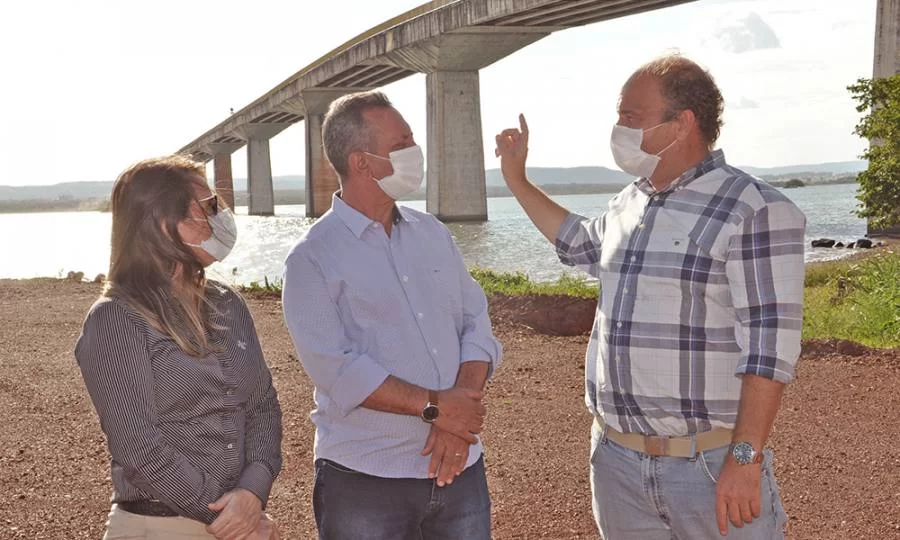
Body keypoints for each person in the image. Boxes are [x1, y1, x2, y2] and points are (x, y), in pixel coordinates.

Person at [495, 54, 805, 539]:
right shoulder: (631, 200)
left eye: (630, 117)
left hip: (709, 466)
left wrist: (745, 460)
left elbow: (770, 350)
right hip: (618, 464)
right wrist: (516, 179)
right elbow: (578, 243)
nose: (619, 129)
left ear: (682, 124)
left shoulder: (755, 209)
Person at [282, 90, 502, 540]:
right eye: (402, 143)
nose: (415, 152)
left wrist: (458, 414)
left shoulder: (433, 233)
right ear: (361, 162)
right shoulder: (312, 258)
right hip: (365, 480)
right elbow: (337, 369)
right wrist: (438, 409)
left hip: (459, 467)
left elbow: (476, 323)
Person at [74, 155, 283, 540]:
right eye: (207, 207)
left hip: (240, 520)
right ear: (161, 224)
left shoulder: (228, 302)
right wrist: (229, 514)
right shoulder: (116, 319)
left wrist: (252, 492)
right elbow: (140, 448)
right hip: (159, 527)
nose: (220, 217)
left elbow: (262, 405)